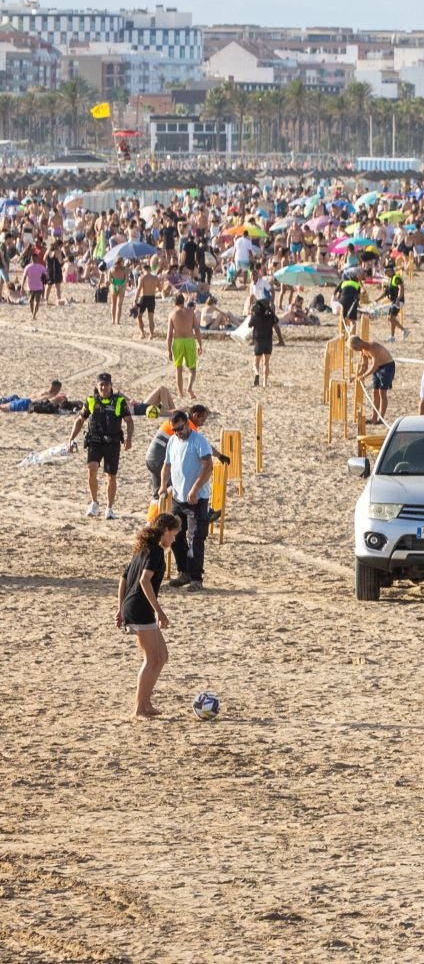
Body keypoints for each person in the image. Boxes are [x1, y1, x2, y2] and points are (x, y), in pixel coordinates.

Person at [116, 512, 180, 719]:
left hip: (133, 607)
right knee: (152, 659)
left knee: (162, 656)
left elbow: (123, 579)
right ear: (165, 531)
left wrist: (120, 607)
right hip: (139, 609)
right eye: (174, 534)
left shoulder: (141, 550)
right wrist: (159, 611)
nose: (174, 539)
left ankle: (146, 703)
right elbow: (144, 581)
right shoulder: (155, 552)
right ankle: (138, 709)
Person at [159, 408, 217, 591]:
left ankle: (196, 578)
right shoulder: (172, 442)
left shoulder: (199, 441)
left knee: (196, 537)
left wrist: (195, 488)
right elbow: (166, 466)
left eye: (180, 428)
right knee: (174, 534)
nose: (178, 433)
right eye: (174, 430)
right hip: (178, 497)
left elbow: (208, 467)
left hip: (197, 499)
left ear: (187, 423)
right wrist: (162, 485)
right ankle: (183, 571)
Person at [66, 372, 135, 518]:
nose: (104, 387)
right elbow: (80, 420)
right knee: (92, 469)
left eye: (106, 385)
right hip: (95, 441)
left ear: (111, 386)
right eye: (101, 385)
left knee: (111, 476)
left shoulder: (119, 401)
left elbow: (129, 421)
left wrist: (128, 439)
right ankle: (94, 503)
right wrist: (71, 438)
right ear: (97, 386)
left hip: (113, 443)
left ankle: (109, 508)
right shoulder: (90, 401)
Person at [349, 335, 396, 422]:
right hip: (378, 369)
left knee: (382, 392)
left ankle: (381, 418)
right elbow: (364, 366)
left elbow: (374, 366)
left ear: (359, 342)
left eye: (356, 348)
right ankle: (374, 418)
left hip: (387, 367)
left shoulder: (373, 346)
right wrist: (356, 376)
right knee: (375, 393)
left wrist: (363, 377)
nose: (356, 350)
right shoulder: (363, 351)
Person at [166, 294, 202, 399]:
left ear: (174, 303)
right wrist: (200, 344)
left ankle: (180, 393)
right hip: (190, 341)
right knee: (192, 368)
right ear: (183, 301)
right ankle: (189, 387)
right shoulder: (191, 312)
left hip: (178, 342)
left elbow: (169, 335)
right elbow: (197, 329)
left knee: (178, 369)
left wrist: (169, 350)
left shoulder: (172, 314)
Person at [248, 295, 278, 387]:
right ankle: (265, 382)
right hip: (268, 341)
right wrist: (270, 310)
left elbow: (249, 325)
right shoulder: (269, 316)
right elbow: (276, 320)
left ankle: (257, 373)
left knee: (255, 362)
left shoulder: (256, 317)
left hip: (258, 341)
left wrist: (251, 314)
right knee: (266, 363)